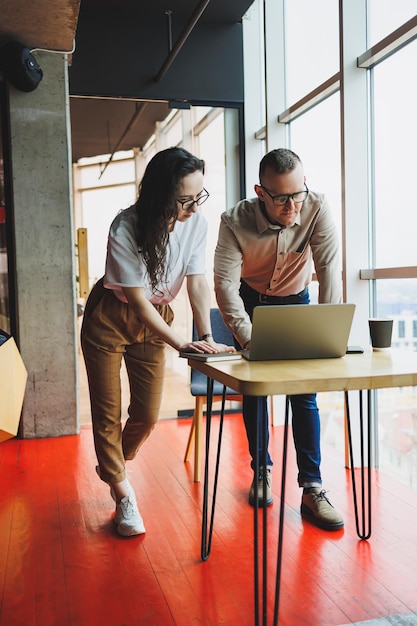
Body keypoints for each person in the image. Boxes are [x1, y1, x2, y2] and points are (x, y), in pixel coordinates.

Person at [81, 147, 234, 537]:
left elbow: (197, 281)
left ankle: (112, 463)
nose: (193, 208)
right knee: (107, 411)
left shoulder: (195, 224)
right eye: (185, 199)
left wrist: (204, 336)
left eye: (199, 197)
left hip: (156, 317)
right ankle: (123, 494)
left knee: (147, 414)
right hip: (110, 317)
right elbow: (136, 300)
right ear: (161, 195)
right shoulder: (126, 226)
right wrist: (182, 344)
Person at [214, 148, 344, 531]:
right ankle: (262, 473)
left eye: (298, 193)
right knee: (257, 390)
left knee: (304, 393)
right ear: (260, 192)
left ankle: (312, 488)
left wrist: (326, 328)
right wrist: (248, 337)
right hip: (252, 303)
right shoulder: (234, 221)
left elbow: (329, 268)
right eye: (282, 198)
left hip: (297, 301)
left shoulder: (316, 207)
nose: (293, 206)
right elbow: (224, 285)